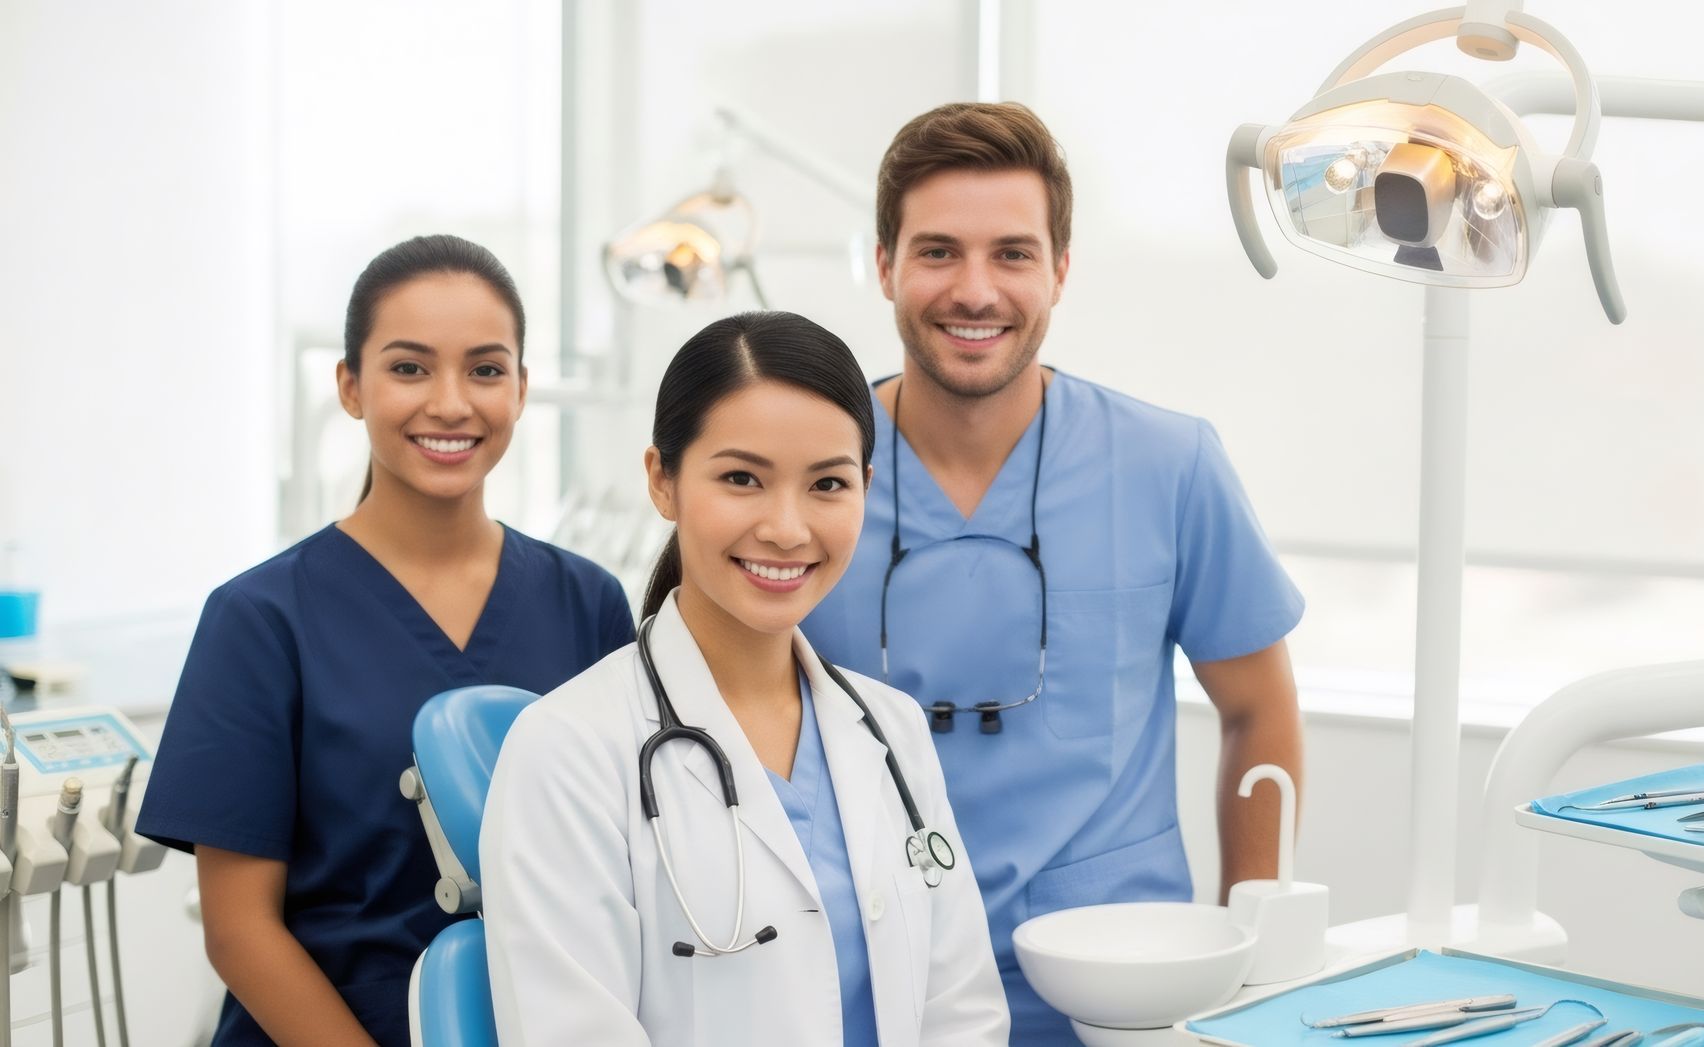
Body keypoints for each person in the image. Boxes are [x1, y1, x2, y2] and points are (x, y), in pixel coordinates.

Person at [800, 102, 1308, 1043]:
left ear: (1061, 270)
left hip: (1115, 982)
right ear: (884, 266)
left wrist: (1253, 943)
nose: (975, 290)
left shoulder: (1169, 464)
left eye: (1014, 254)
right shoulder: (808, 481)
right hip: (867, 978)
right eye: (939, 251)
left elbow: (1259, 709)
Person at [136, 235, 636, 1046]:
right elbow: (238, 929)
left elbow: (619, 880)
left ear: (521, 387)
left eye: (485, 368)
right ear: (350, 386)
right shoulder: (262, 618)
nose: (450, 402)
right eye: (409, 367)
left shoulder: (589, 604)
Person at [479, 311, 1008, 1046]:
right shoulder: (567, 751)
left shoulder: (892, 730)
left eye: (827, 482)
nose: (787, 528)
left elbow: (963, 1012)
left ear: (867, 487)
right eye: (741, 478)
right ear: (662, 481)